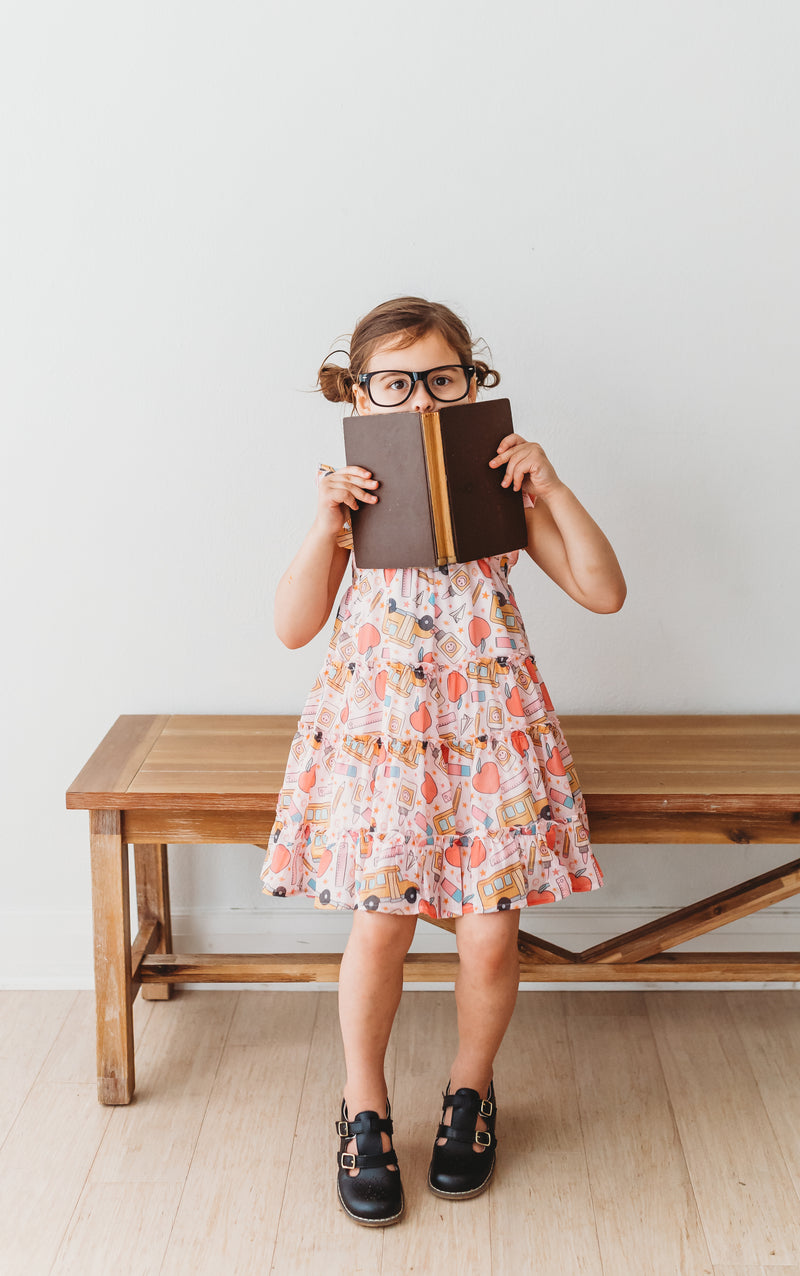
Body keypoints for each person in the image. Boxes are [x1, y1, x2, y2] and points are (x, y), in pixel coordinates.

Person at [259, 295, 626, 1227]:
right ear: (360, 393)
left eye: (441, 380)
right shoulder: (356, 497)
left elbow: (603, 591)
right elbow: (293, 627)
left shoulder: (498, 487)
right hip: (384, 744)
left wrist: (552, 486)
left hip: (490, 743)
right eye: (395, 383)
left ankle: (470, 1095)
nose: (420, 401)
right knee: (381, 925)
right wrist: (322, 523)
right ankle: (365, 1108)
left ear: (470, 385)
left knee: (489, 933)